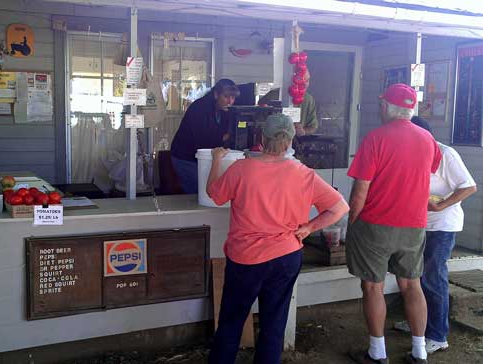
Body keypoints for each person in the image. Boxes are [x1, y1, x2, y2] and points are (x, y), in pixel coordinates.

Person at [206, 113, 349, 364]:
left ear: (261, 138)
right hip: (286, 256)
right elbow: (339, 208)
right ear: (290, 141)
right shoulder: (304, 173)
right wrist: (309, 228)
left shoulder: (242, 169)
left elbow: (214, 194)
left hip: (246, 259)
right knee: (273, 324)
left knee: (231, 321)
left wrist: (215, 160)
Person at [346, 84, 442, 364]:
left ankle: (377, 353)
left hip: (375, 224)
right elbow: (428, 171)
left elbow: (360, 190)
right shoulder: (427, 140)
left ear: (387, 106)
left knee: (372, 287)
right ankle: (419, 351)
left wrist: (352, 220)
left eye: (381, 104)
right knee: (412, 285)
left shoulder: (375, 138)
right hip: (414, 224)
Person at [393, 116, 477, 354]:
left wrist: (442, 205)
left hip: (442, 225)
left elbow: (469, 186)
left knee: (432, 277)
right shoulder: (406, 152)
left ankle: (437, 335)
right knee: (413, 277)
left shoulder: (445, 154)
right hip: (415, 224)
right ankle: (417, 323)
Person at [170, 79, 240, 194]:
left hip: (201, 156)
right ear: (216, 94)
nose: (230, 102)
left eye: (233, 98)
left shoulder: (223, 110)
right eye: (226, 97)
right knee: (200, 191)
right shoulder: (199, 108)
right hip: (185, 157)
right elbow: (203, 139)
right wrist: (226, 137)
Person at [257, 70, 318, 136]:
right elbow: (259, 114)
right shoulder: (275, 94)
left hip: (296, 142)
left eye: (307, 80)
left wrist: (303, 131)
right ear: (292, 80)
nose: (305, 84)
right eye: (302, 81)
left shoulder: (309, 99)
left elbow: (313, 126)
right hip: (273, 140)